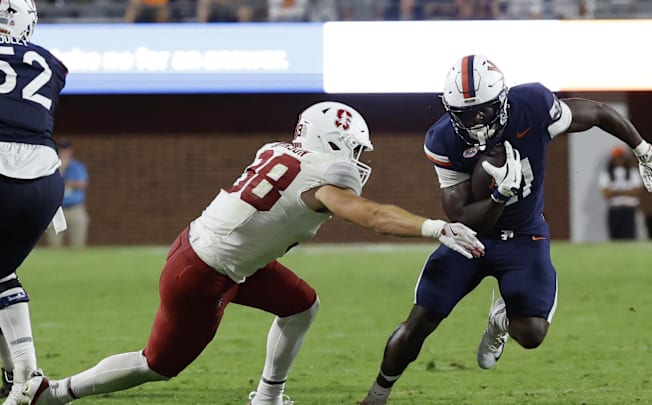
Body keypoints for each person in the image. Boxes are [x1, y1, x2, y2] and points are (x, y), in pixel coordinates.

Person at [21, 101, 484, 405]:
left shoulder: (279, 150)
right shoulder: (320, 179)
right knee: (157, 366)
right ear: (333, 142)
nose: (359, 158)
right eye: (353, 148)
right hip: (203, 274)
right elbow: (373, 215)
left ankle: (268, 396)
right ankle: (54, 393)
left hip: (218, 255)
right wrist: (434, 226)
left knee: (302, 305)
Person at [360, 54, 652, 404]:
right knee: (420, 320)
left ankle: (501, 320)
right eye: (465, 113)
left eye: (484, 110)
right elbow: (459, 215)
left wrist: (644, 150)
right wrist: (500, 196)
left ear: (502, 101)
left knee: (532, 333)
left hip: (524, 236)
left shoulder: (532, 106)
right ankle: (376, 396)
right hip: (471, 237)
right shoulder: (443, 139)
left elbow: (596, 112)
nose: (475, 120)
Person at [0, 1, 68, 404]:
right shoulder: (51, 63)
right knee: (1, 272)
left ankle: (22, 372)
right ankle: (21, 374)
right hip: (43, 175)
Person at [45, 139, 89, 248]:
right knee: (54, 244)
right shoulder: (51, 166)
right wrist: (61, 169)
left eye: (66, 150)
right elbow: (47, 183)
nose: (64, 152)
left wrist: (64, 182)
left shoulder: (77, 166)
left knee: (78, 243)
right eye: (61, 150)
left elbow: (82, 184)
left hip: (75, 208)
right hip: (56, 209)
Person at [598, 145, 642, 240]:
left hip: (629, 210)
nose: (619, 160)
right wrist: (626, 191)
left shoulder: (632, 172)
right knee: (615, 238)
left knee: (629, 237)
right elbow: (606, 194)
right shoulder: (607, 174)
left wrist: (616, 191)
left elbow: (636, 191)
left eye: (621, 157)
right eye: (617, 157)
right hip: (615, 210)